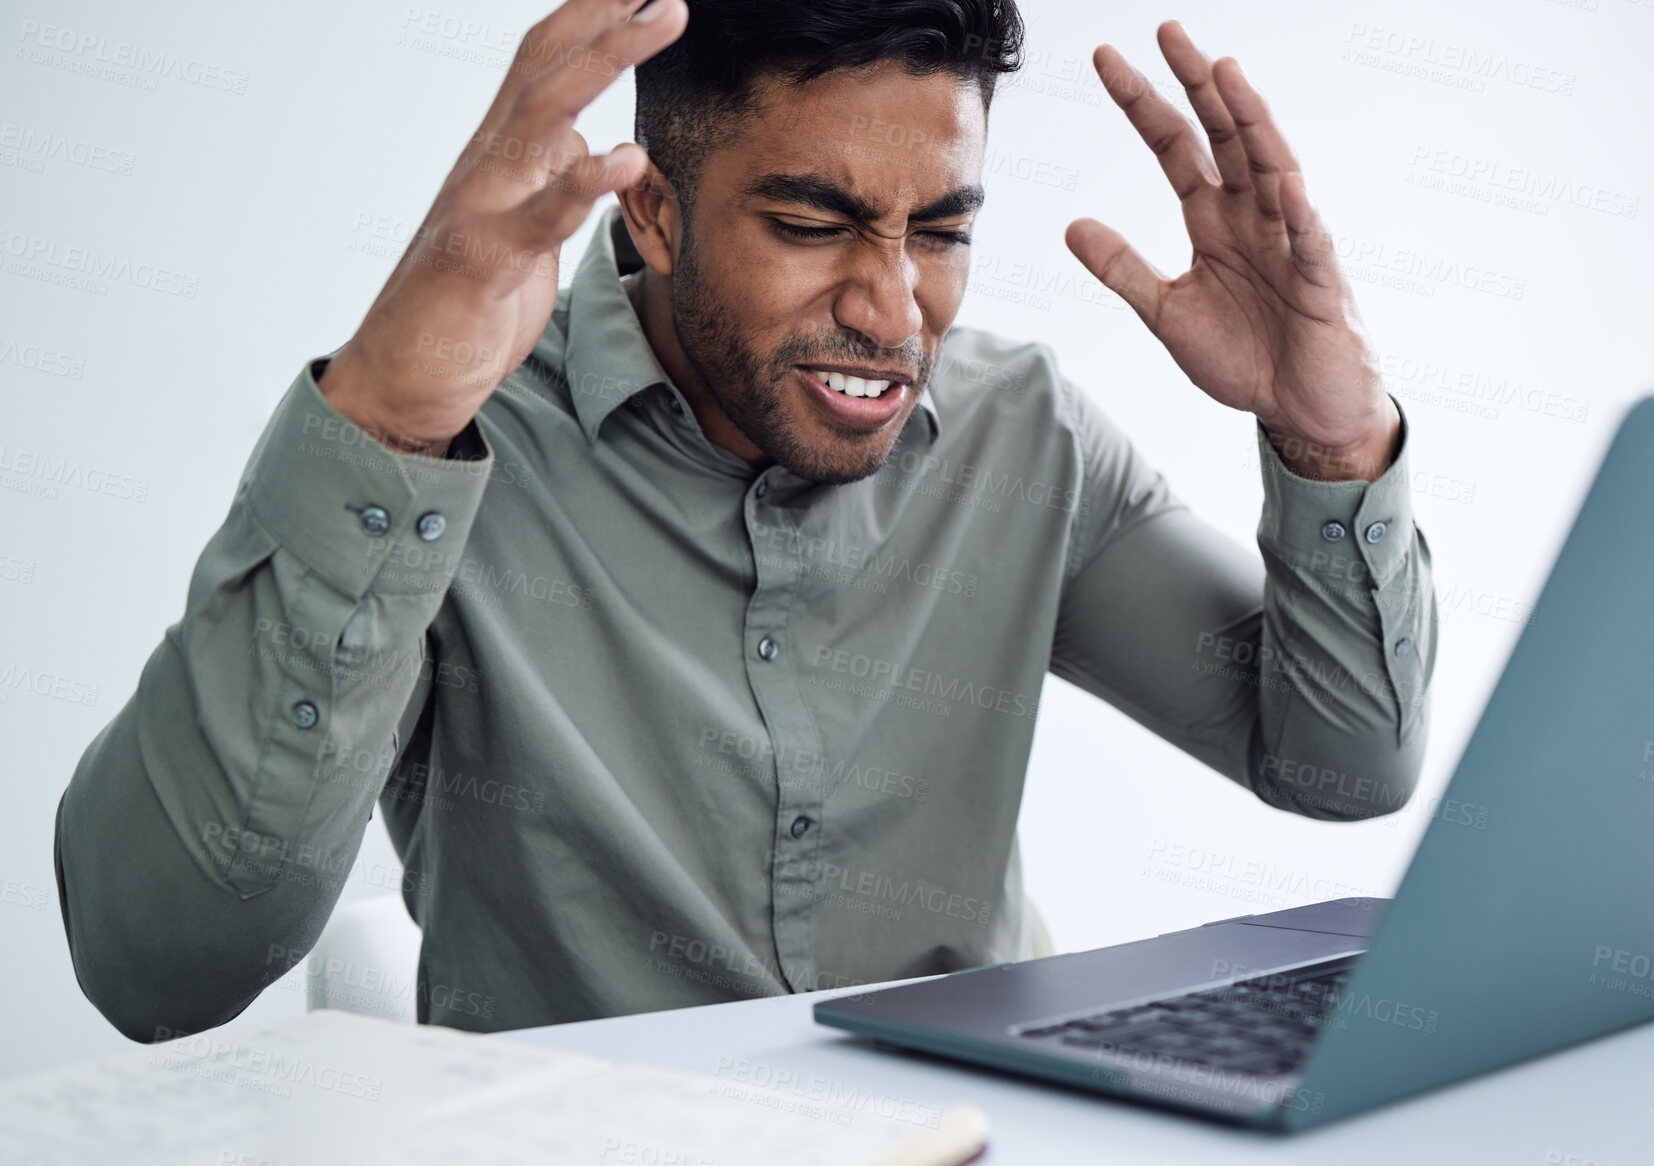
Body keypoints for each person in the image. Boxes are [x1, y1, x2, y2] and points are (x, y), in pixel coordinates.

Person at [54, 0, 1436, 1042]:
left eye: (940, 229)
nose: (893, 309)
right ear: (654, 210)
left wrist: (1325, 433)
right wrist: (385, 425)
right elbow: (155, 968)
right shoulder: (449, 445)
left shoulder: (1022, 431)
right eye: (812, 222)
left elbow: (1339, 769)